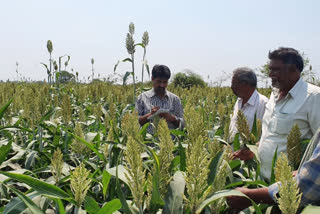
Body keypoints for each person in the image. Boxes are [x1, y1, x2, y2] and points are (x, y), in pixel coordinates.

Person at [233, 47, 320, 181]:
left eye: (276, 70)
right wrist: (254, 150)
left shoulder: (313, 97)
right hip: (262, 179)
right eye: (270, 69)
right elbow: (272, 135)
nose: (270, 74)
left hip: (288, 186)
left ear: (293, 70)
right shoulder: (274, 95)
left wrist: (303, 173)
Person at [227, 127, 320, 211]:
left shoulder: (309, 107)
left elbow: (307, 186)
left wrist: (250, 196)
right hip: (275, 184)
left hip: (289, 198)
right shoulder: (271, 107)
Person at [135, 64, 184, 134]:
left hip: (170, 143)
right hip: (148, 143)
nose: (162, 85)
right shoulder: (142, 98)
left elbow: (183, 124)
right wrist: (150, 115)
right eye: (159, 81)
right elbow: (135, 122)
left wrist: (172, 118)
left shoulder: (175, 99)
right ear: (152, 79)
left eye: (165, 82)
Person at [229, 67, 268, 141]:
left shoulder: (263, 103)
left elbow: (267, 134)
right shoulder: (239, 101)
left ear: (245, 84)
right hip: (232, 150)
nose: (231, 87)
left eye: (234, 83)